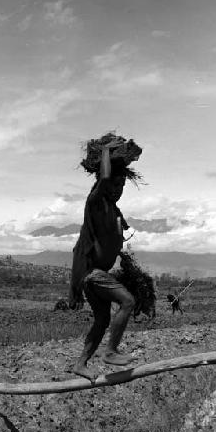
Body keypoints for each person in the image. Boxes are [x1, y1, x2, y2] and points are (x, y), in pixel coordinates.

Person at [69, 139, 137, 381]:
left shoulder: (113, 212)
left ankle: (81, 364)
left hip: (95, 275)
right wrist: (107, 150)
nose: (118, 189)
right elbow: (105, 179)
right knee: (127, 302)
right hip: (92, 274)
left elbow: (109, 242)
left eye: (122, 186)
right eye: (115, 184)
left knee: (102, 319)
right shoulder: (96, 201)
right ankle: (110, 352)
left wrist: (123, 259)